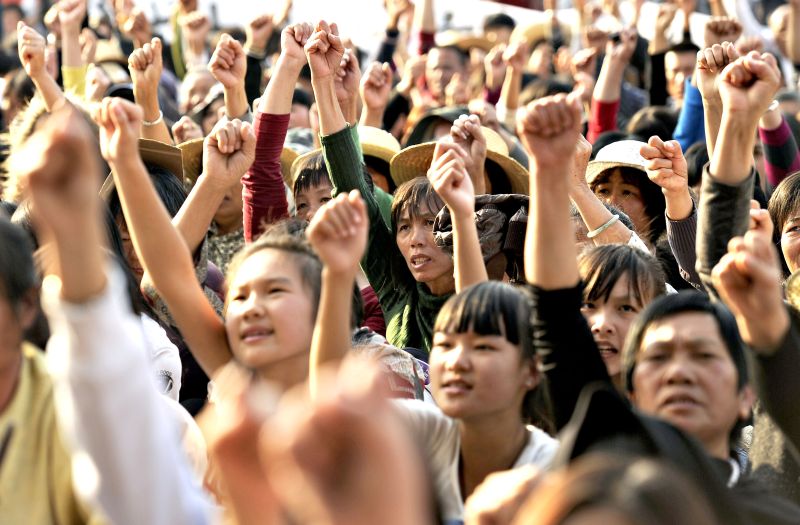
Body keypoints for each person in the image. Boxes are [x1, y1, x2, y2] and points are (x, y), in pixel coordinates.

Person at [304, 151, 557, 523]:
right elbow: (329, 404)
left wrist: (462, 218)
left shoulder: (547, 465)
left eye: (484, 347)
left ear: (531, 371)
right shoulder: (426, 429)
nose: (458, 361)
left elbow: (474, 305)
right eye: (445, 346)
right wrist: (337, 274)